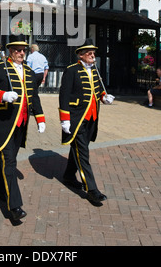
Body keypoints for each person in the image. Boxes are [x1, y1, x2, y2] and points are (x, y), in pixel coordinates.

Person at [0, 35, 46, 222]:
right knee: (9, 161)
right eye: (17, 50)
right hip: (4, 123)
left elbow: (34, 97)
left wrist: (40, 118)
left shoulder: (28, 71)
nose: (21, 53)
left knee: (8, 159)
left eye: (23, 50)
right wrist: (2, 95)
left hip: (21, 124)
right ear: (10, 51)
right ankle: (14, 207)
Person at [59, 38, 115, 205]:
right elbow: (64, 96)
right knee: (83, 153)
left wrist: (105, 98)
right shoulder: (71, 70)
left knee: (78, 149)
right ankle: (92, 190)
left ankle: (69, 176)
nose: (93, 55)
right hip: (76, 119)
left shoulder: (95, 70)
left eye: (93, 52)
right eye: (89, 52)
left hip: (92, 118)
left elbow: (98, 92)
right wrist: (65, 119)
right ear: (81, 55)